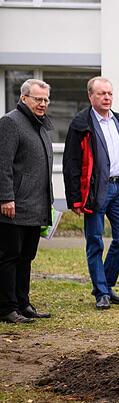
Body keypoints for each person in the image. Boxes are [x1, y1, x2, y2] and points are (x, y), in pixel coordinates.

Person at [63, 77, 119, 310]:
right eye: (102, 94)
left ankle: (104, 285)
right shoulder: (80, 124)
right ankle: (102, 293)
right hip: (95, 191)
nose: (107, 98)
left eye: (110, 94)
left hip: (118, 189)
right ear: (90, 96)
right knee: (95, 241)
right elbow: (71, 163)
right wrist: (74, 198)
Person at [0, 79, 54, 323]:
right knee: (9, 256)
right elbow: (3, 164)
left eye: (45, 100)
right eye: (38, 99)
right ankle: (6, 308)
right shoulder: (11, 122)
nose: (42, 104)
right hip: (14, 205)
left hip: (35, 205)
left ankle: (23, 304)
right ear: (24, 99)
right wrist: (5, 197)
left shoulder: (40, 125)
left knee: (26, 257)